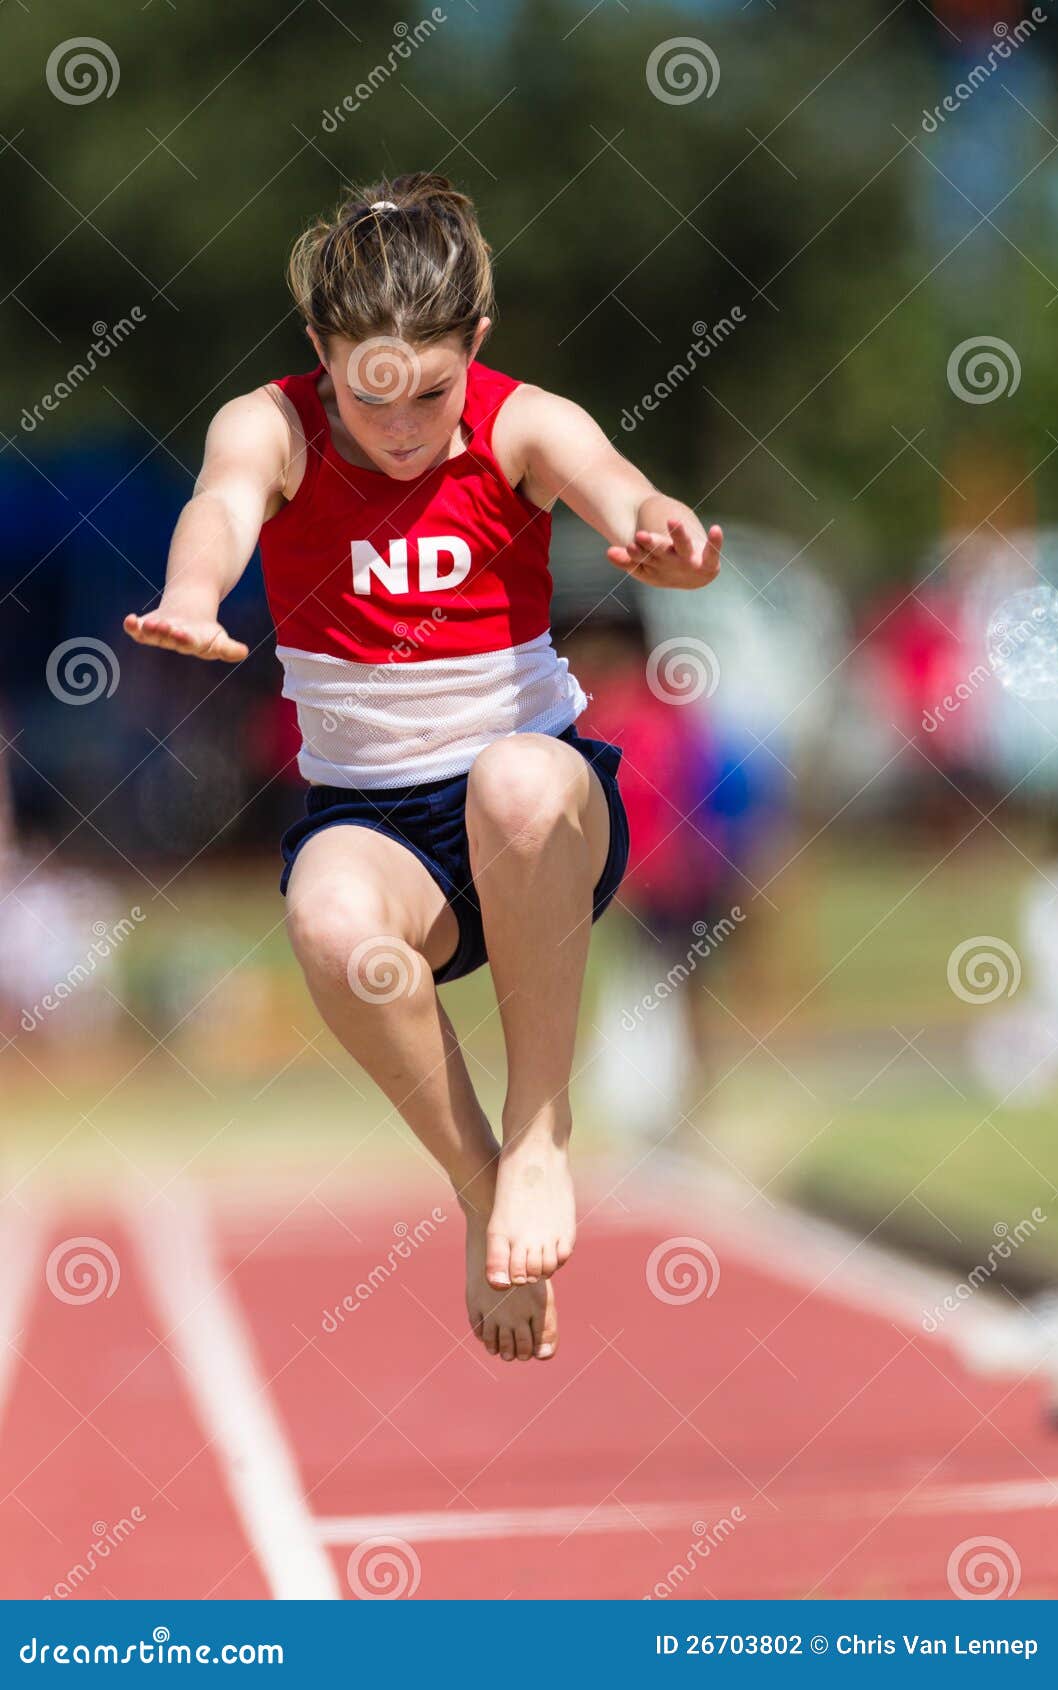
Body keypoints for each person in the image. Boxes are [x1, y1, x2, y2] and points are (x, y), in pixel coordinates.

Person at [123, 172, 721, 1364]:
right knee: (333, 923)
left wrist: (664, 537)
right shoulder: (272, 424)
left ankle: (541, 1128)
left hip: (540, 810)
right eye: (369, 394)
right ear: (320, 353)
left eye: (430, 395)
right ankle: (478, 1180)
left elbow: (623, 490)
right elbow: (223, 505)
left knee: (513, 777)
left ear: (476, 348)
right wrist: (194, 594)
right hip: (380, 829)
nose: (398, 430)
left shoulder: (523, 423)